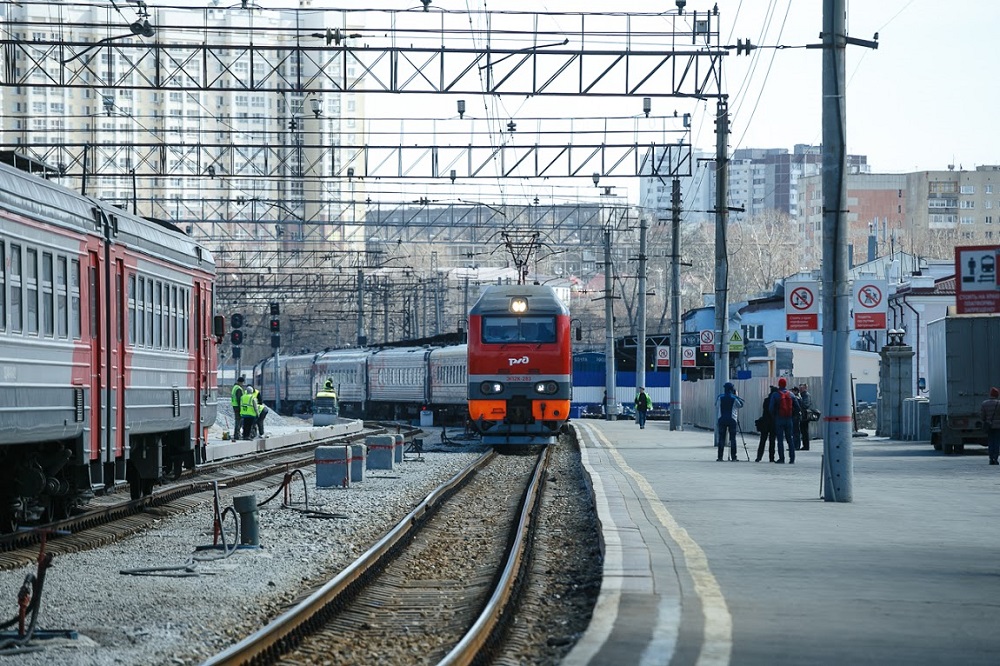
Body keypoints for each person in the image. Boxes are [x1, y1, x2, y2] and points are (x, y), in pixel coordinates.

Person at [769, 377, 799, 464]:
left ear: (779, 384)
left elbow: (771, 408)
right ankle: (792, 458)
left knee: (780, 440)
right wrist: (793, 416)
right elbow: (797, 407)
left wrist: (774, 416)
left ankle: (781, 458)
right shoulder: (791, 394)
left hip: (779, 418)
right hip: (789, 419)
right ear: (786, 384)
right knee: (790, 439)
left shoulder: (775, 395)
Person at [715, 382, 745, 461]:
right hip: (732, 420)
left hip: (721, 419)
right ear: (732, 389)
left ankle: (720, 457)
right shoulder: (734, 398)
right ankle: (734, 457)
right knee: (733, 439)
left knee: (721, 438)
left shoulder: (720, 398)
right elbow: (741, 405)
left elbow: (716, 405)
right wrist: (736, 396)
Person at [755, 386, 778, 462]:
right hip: (773, 423)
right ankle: (771, 458)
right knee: (772, 441)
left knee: (762, 440)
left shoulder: (766, 400)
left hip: (765, 423)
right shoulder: (777, 401)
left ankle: (759, 457)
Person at [981, 387, 1000, 465]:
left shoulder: (984, 403)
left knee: (990, 441)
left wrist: (985, 420)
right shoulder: (999, 403)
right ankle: (995, 458)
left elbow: (982, 416)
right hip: (998, 426)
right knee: (997, 442)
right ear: (997, 395)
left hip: (989, 425)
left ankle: (990, 458)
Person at [798, 383, 814, 451]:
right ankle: (805, 445)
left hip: (805, 416)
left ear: (805, 388)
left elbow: (805, 405)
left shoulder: (806, 395)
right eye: (800, 388)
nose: (800, 389)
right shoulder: (803, 395)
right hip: (803, 415)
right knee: (803, 430)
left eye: (801, 388)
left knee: (804, 431)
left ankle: (806, 446)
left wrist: (799, 400)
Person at [230, 376, 246, 440]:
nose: (243, 384)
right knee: (238, 421)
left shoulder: (234, 387)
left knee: (237, 420)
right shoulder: (238, 389)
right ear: (240, 382)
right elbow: (239, 399)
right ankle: (237, 434)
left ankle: (236, 434)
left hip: (234, 405)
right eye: (242, 383)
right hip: (238, 406)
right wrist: (241, 408)